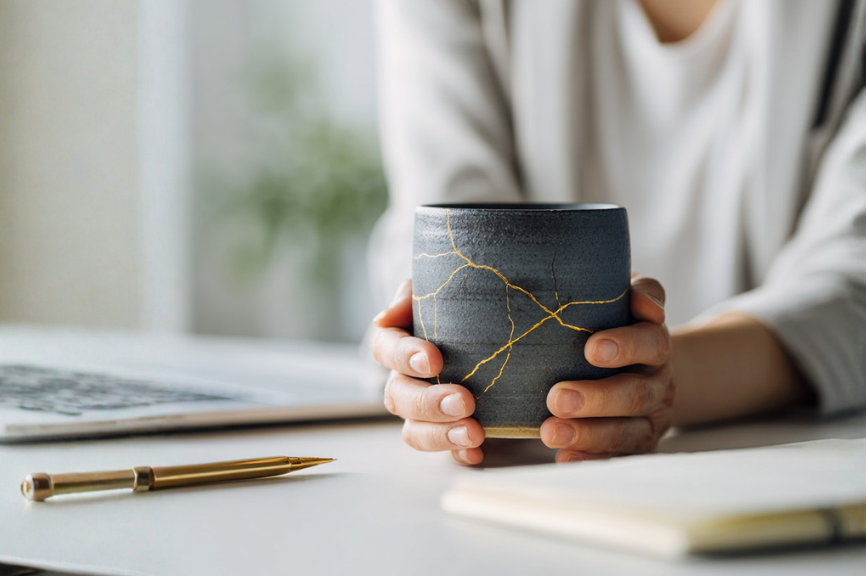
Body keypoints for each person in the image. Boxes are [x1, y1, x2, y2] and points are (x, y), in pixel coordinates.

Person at [367, 0, 866, 465]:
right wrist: (421, 351)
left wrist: (659, 382)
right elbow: (439, 207)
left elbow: (853, 271)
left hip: (769, 456)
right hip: (508, 475)